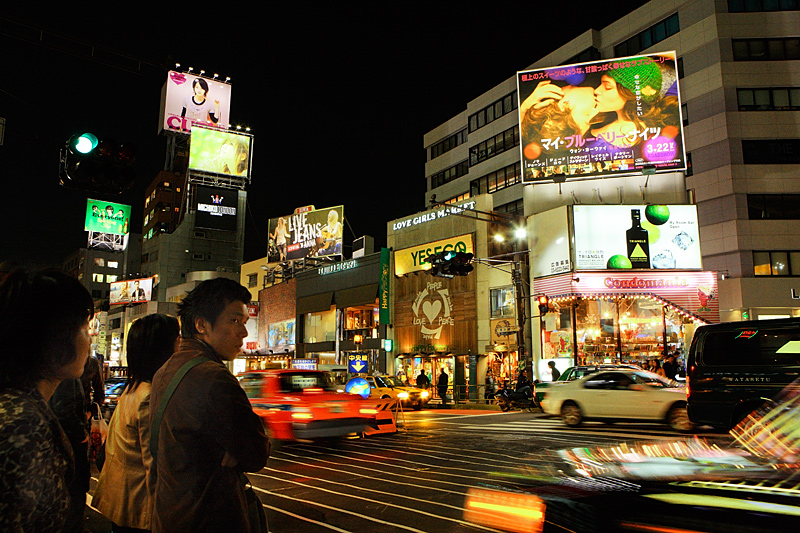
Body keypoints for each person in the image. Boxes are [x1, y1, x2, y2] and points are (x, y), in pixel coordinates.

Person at [149, 278, 269, 532]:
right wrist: (233, 450)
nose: (244, 333)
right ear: (201, 325)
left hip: (170, 515)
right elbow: (257, 452)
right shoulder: (213, 377)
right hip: (210, 518)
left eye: (245, 323)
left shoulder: (165, 371)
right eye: (234, 321)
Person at [0, 268, 94, 532]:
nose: (91, 336)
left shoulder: (19, 404)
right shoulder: (21, 425)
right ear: (55, 336)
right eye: (85, 327)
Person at [93, 314, 180, 533]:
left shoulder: (135, 390)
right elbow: (155, 466)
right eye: (177, 339)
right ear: (163, 349)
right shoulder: (149, 397)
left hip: (123, 502)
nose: (181, 346)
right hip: (139, 510)